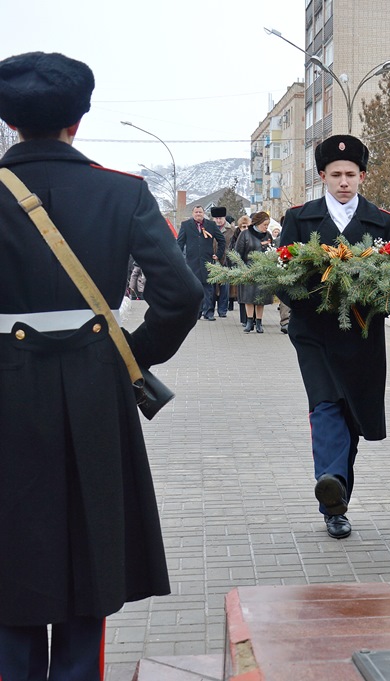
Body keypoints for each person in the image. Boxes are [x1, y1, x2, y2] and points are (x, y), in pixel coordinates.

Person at [0, 51, 203, 681]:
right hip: (94, 387)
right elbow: (182, 295)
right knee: (93, 543)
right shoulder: (124, 191)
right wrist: (127, 356)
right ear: (77, 121)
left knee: (11, 547)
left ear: (11, 123)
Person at [278, 135, 390, 539]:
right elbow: (281, 277)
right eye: (336, 175)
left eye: (351, 174)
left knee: (351, 414)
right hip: (313, 332)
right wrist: (311, 302)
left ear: (362, 176)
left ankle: (337, 495)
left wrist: (374, 302)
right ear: (322, 176)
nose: (344, 181)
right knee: (326, 403)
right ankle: (330, 488)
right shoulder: (299, 218)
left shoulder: (384, 223)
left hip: (363, 333)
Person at [177, 204, 226, 321]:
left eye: (200, 212)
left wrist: (218, 255)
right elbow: (179, 243)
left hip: (207, 261)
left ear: (204, 213)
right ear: (192, 214)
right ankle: (196, 312)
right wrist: (179, 259)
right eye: (196, 212)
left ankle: (209, 312)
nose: (198, 214)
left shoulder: (211, 225)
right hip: (191, 262)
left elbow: (222, 241)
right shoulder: (186, 225)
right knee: (194, 289)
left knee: (208, 288)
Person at [234, 211, 275, 333]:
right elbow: (238, 253)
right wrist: (241, 269)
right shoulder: (245, 234)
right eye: (264, 224)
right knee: (249, 297)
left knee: (260, 299)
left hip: (263, 271)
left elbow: (272, 251)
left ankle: (259, 323)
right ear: (257, 223)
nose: (266, 227)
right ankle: (249, 322)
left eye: (267, 225)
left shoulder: (267, 235)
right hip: (248, 270)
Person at [210, 207, 234, 318]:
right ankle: (209, 309)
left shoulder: (231, 230)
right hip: (211, 260)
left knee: (224, 287)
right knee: (211, 287)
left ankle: (222, 310)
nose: (218, 220)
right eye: (216, 218)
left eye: (220, 218)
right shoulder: (209, 228)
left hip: (225, 261)